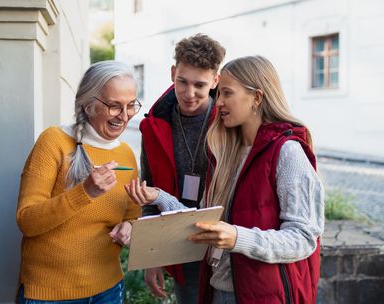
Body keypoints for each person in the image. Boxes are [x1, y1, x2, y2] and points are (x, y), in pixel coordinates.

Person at [126, 55, 324, 304]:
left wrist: (237, 238)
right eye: (219, 94)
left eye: (226, 93)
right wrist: (160, 197)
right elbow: (205, 221)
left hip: (262, 295)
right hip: (218, 289)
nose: (217, 102)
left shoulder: (288, 153)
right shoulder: (226, 152)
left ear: (257, 98)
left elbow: (304, 238)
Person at [15, 60, 142, 303]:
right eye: (114, 106)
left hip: (108, 288)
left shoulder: (126, 154)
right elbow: (27, 220)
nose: (124, 117)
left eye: (131, 106)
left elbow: (132, 215)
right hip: (50, 292)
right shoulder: (53, 142)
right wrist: (85, 192)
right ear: (88, 104)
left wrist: (130, 228)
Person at [138, 33, 226, 303]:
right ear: (173, 72)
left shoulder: (229, 120)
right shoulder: (154, 125)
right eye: (182, 82)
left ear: (215, 80)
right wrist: (153, 256)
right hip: (181, 243)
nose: (189, 94)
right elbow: (149, 191)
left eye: (200, 85)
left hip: (226, 242)